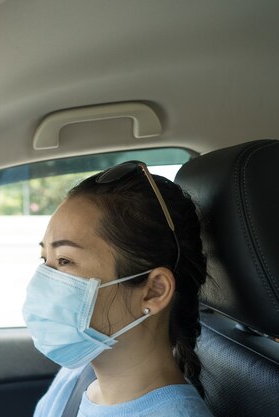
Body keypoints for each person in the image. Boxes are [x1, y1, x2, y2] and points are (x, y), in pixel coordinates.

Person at [22, 161, 214, 417]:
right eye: (45, 260)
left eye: (65, 260)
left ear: (153, 291)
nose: (44, 281)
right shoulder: (76, 376)